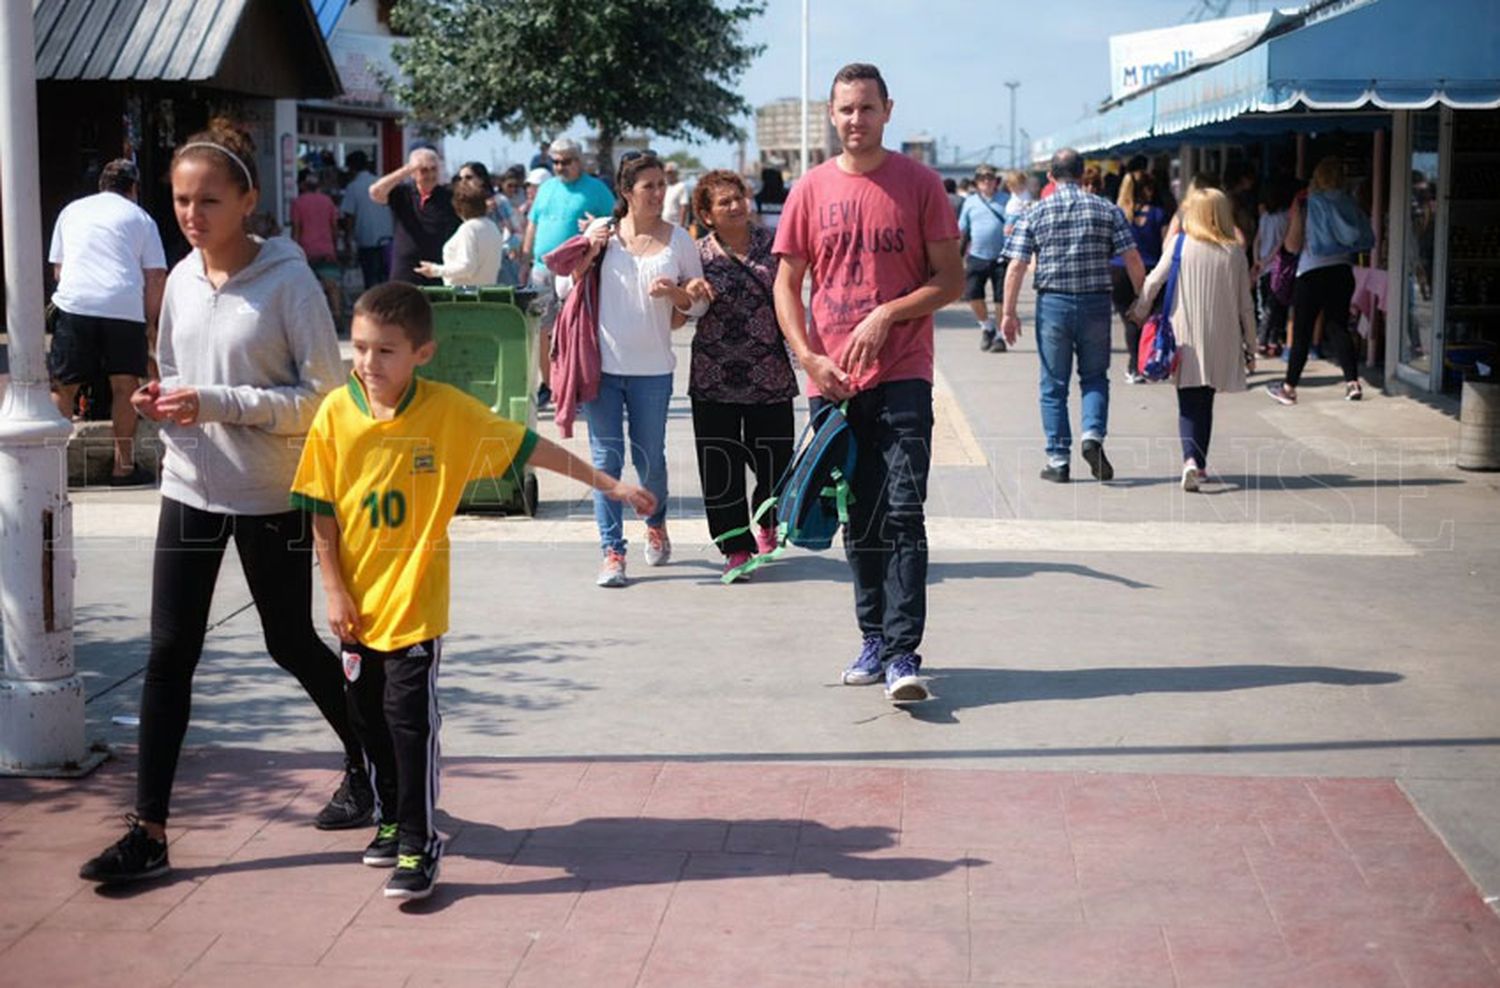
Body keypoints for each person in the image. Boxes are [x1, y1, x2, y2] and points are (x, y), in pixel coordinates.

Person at [79, 122, 371, 886]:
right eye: (180, 199)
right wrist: (159, 401)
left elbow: (321, 399)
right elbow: (174, 369)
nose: (192, 214)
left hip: (270, 492)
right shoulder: (178, 280)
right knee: (169, 654)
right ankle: (149, 831)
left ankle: (370, 761)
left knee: (289, 641)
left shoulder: (289, 281)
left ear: (247, 200)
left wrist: (215, 401)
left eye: (209, 199)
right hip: (188, 487)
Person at [292, 283, 653, 900]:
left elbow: (528, 447)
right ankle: (387, 819)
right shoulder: (334, 414)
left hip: (414, 604)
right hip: (353, 605)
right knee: (367, 723)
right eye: (360, 349)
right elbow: (320, 509)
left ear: (422, 354)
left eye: (386, 351)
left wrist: (609, 485)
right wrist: (333, 589)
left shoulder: (448, 412)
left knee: (410, 725)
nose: (369, 364)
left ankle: (418, 842)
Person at [773, 63, 963, 704]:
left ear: (888, 110)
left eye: (868, 108)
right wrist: (809, 358)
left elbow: (950, 280)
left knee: (905, 512)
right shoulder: (809, 190)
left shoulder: (920, 184)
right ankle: (874, 638)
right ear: (832, 115)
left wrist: (888, 313)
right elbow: (786, 284)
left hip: (904, 373)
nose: (857, 120)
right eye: (846, 109)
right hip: (834, 385)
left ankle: (905, 654)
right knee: (860, 518)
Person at [571, 152, 706, 587]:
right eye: (648, 185)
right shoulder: (602, 235)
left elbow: (699, 302)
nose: (658, 192)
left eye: (661, 184)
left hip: (653, 369)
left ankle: (655, 520)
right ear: (626, 192)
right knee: (606, 462)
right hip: (602, 368)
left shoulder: (679, 240)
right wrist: (588, 250)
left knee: (650, 460)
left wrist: (677, 294)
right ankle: (612, 551)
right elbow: (564, 284)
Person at [1000, 147, 1146, 483]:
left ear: (1050, 176)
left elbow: (1016, 266)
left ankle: (1058, 460)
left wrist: (1008, 313)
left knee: (1053, 384)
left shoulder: (1036, 212)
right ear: (1083, 175)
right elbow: (1133, 259)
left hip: (1054, 305)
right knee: (1095, 377)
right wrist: (1142, 302)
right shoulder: (1106, 209)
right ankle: (1092, 436)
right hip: (1097, 305)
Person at [689, 170, 798, 580]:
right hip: (713, 375)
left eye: (738, 197)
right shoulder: (695, 253)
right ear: (707, 213)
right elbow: (684, 307)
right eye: (724, 202)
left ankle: (767, 518)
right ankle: (735, 546)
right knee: (720, 469)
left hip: (768, 373)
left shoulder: (774, 245)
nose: (735, 205)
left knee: (776, 462)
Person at [47, 158, 167, 487]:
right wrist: (149, 322)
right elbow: (156, 276)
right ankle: (123, 468)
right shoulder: (141, 218)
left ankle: (53, 471)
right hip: (124, 307)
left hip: (75, 304)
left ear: (101, 185)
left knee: (64, 387)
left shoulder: (72, 211)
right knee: (125, 387)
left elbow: (58, 270)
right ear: (134, 188)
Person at [1129, 189, 1256, 492]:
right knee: (1206, 401)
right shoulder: (1234, 251)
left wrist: (1140, 311)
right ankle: (1199, 464)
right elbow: (1245, 305)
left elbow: (1153, 281)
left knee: (1187, 402)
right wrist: (1252, 345)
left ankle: (1189, 461)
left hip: (1184, 335)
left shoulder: (1180, 244)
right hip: (1221, 337)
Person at [1267, 157, 1373, 405]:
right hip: (1343, 271)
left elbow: (1292, 245)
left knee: (1302, 331)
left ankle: (1289, 388)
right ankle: (1353, 383)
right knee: (1339, 327)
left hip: (1312, 273)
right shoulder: (1349, 201)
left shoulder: (1306, 202)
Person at [520, 138, 615, 407]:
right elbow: (532, 225)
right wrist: (525, 262)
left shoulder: (596, 190)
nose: (560, 166)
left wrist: (595, 225)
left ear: (579, 161)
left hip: (577, 270)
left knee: (576, 330)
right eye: (556, 161)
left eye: (566, 161)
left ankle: (576, 384)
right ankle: (549, 385)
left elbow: (616, 220)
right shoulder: (547, 188)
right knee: (542, 330)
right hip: (542, 269)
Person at [368, 146, 460, 286]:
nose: (430, 175)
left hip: (436, 272)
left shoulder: (449, 196)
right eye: (424, 170)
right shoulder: (403, 194)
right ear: (413, 173)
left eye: (433, 169)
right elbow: (375, 192)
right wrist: (407, 169)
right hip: (404, 271)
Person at [1111, 171, 1168, 383]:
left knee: (1129, 321)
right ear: (1147, 188)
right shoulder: (1158, 214)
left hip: (1118, 269)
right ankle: (1148, 362)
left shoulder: (1117, 214)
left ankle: (1134, 366)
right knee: (1149, 319)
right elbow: (1166, 245)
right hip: (1151, 270)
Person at [959, 163, 1013, 352]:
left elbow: (1015, 224)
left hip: (1001, 258)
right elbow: (963, 229)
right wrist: (958, 256)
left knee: (1000, 299)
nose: (987, 182)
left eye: (990, 178)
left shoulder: (1007, 200)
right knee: (973, 295)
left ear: (996, 181)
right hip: (977, 256)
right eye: (982, 179)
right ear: (977, 182)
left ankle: (999, 336)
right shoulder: (970, 202)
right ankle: (986, 326)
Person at [415, 183, 503, 286]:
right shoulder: (492, 226)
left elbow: (467, 267)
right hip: (487, 293)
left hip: (463, 297)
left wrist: (435, 270)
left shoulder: (469, 229)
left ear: (458, 208)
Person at [290, 171, 343, 325]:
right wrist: (335, 246)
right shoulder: (328, 202)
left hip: (305, 251)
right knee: (332, 286)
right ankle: (338, 317)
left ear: (302, 185)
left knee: (304, 288)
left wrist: (294, 251)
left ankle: (307, 320)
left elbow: (296, 229)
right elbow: (334, 228)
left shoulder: (298, 203)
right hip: (326, 250)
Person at [339, 150, 394, 292]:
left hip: (367, 240)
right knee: (387, 279)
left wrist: (348, 241)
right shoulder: (381, 182)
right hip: (387, 239)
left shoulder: (353, 187)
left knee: (371, 281)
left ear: (351, 168)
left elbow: (349, 217)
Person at [1252, 177, 1294, 355]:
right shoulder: (1286, 217)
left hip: (1263, 266)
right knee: (1276, 305)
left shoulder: (1265, 217)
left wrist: (1257, 260)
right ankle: (1266, 340)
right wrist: (1269, 259)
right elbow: (1283, 242)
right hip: (1278, 265)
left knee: (1267, 305)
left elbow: (1257, 240)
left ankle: (1266, 340)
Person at [754, 167, 788, 232]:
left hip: (765, 234)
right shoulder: (787, 197)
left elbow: (756, 219)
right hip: (783, 233)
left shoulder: (758, 198)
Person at [1002, 169, 1033, 239]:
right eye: (1010, 186)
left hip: (1016, 218)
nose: (1012, 188)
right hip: (1009, 216)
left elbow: (1028, 209)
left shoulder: (1025, 195)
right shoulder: (1015, 194)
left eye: (1014, 186)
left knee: (1009, 237)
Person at [663, 160, 691, 227]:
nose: (667, 175)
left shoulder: (681, 186)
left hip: (676, 225)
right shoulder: (665, 187)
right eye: (665, 172)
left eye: (669, 172)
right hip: (664, 224)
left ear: (675, 173)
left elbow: (684, 207)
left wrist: (681, 226)